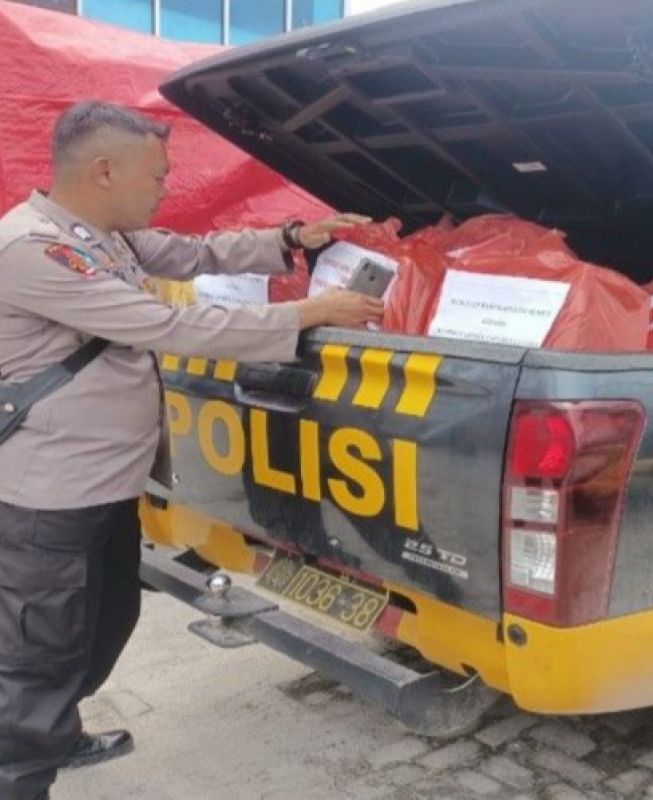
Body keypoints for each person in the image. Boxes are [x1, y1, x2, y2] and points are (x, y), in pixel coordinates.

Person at [0, 100, 384, 800]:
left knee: (105, 625)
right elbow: (167, 324)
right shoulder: (31, 249)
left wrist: (294, 235)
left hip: (108, 485)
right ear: (104, 170)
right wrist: (307, 315)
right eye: (158, 174)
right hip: (48, 497)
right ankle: (22, 770)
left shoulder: (104, 235)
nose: (166, 187)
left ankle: (52, 731)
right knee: (38, 655)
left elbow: (200, 252)